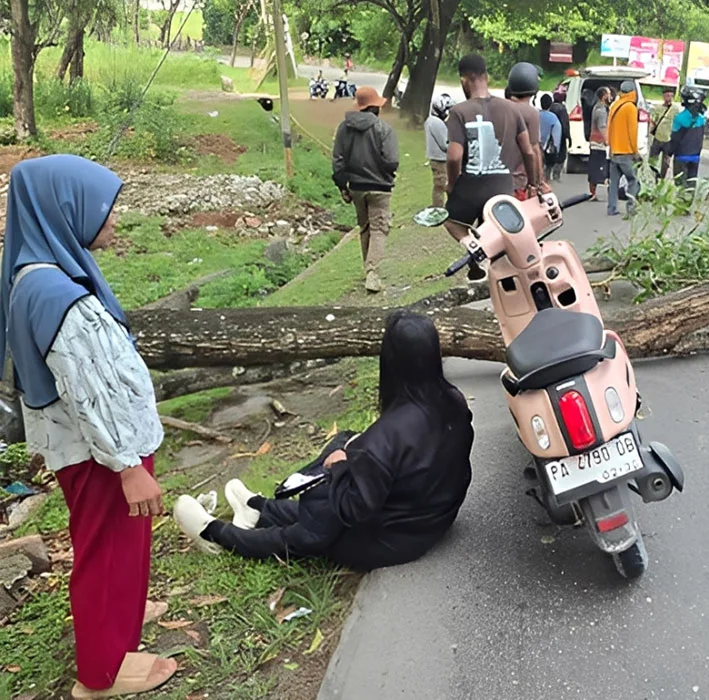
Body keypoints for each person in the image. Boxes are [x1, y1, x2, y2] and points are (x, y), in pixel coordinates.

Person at [0, 154, 176, 698]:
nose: (114, 220)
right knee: (106, 550)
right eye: (104, 210)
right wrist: (127, 466)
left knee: (116, 544)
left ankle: (120, 623)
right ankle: (100, 673)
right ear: (65, 210)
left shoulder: (40, 275)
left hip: (94, 449)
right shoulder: (56, 295)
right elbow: (88, 390)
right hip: (101, 455)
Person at [174, 311, 474, 571]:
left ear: (391, 361)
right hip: (432, 519)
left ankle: (217, 535)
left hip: (391, 540)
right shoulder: (454, 400)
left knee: (312, 530)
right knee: (331, 485)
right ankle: (260, 509)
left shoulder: (386, 436)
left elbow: (355, 509)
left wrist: (339, 466)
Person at [443, 54, 540, 280]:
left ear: (464, 80)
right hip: (502, 188)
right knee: (496, 230)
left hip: (470, 187)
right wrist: (533, 184)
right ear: (486, 76)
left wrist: (452, 184)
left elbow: (454, 157)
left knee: (450, 220)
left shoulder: (459, 112)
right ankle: (498, 271)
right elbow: (529, 151)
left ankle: (472, 246)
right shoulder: (512, 109)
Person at [332, 86, 398, 294]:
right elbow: (392, 161)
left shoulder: (344, 128)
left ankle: (368, 268)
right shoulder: (384, 129)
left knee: (365, 228)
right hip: (380, 188)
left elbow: (338, 160)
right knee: (379, 229)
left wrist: (342, 186)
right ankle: (372, 272)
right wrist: (384, 171)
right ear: (374, 108)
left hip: (357, 188)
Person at [506, 62, 546, 198]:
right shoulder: (531, 113)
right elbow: (534, 150)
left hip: (497, 180)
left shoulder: (499, 108)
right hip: (520, 182)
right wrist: (538, 183)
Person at [607, 80, 642, 217]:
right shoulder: (630, 108)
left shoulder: (615, 105)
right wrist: (635, 151)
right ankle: (631, 208)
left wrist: (610, 146)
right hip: (626, 151)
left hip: (614, 151)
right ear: (633, 92)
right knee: (633, 180)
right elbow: (632, 132)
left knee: (614, 182)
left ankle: (611, 208)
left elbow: (609, 128)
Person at [669, 86, 707, 186]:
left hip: (681, 156)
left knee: (680, 185)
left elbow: (674, 138)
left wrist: (669, 152)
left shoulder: (679, 118)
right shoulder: (701, 119)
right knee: (691, 186)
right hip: (695, 157)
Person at [425, 94, 453, 207]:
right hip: (440, 159)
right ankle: (438, 207)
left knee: (440, 185)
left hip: (436, 158)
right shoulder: (437, 123)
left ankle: (439, 206)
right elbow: (445, 144)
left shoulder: (431, 120)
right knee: (441, 185)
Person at [649, 87, 682, 179]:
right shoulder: (658, 108)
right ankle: (653, 176)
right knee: (652, 159)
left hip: (669, 139)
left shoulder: (675, 109)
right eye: (667, 96)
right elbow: (653, 121)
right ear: (663, 96)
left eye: (671, 96)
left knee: (666, 162)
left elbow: (678, 123)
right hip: (658, 137)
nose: (669, 98)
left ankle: (662, 178)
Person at [588, 86, 614, 201]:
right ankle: (593, 193)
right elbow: (602, 127)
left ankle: (592, 193)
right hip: (599, 143)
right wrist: (607, 141)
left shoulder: (598, 107)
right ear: (604, 96)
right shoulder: (601, 110)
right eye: (609, 94)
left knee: (595, 167)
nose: (611, 97)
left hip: (595, 142)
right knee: (598, 168)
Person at [539, 94, 565, 181]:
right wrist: (556, 149)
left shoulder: (535, 115)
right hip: (548, 149)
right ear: (550, 104)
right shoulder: (554, 118)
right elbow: (556, 135)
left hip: (536, 146)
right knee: (547, 168)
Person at [549, 91, 571, 181]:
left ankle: (548, 172)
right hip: (561, 134)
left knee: (551, 153)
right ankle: (556, 174)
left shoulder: (550, 107)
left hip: (551, 134)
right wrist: (568, 136)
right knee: (562, 155)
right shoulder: (562, 109)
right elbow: (565, 123)